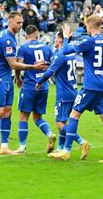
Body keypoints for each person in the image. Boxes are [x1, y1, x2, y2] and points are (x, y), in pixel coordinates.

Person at [50, 15, 103, 163]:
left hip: (91, 86)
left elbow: (66, 50)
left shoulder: (89, 41)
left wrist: (66, 37)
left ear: (90, 26)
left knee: (74, 115)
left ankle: (66, 151)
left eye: (86, 25)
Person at [0, 12, 48, 156]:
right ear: (10, 21)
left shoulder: (7, 36)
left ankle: (4, 146)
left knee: (8, 112)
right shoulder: (7, 39)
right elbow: (13, 64)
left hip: (5, 78)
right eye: (18, 23)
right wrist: (33, 67)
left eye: (22, 23)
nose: (21, 25)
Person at [36, 27, 91, 159]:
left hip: (64, 94)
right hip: (73, 91)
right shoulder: (71, 54)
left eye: (56, 37)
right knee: (64, 122)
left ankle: (82, 142)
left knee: (60, 123)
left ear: (61, 39)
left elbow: (50, 72)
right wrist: (49, 63)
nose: (54, 39)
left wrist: (39, 81)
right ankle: (61, 148)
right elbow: (59, 64)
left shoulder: (59, 55)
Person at [13, 25, 56, 154]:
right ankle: (49, 134)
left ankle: (22, 146)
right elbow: (53, 64)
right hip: (43, 86)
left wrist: (18, 78)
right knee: (37, 117)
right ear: (37, 35)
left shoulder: (24, 48)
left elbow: (18, 65)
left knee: (23, 116)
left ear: (26, 36)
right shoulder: (46, 48)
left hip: (30, 86)